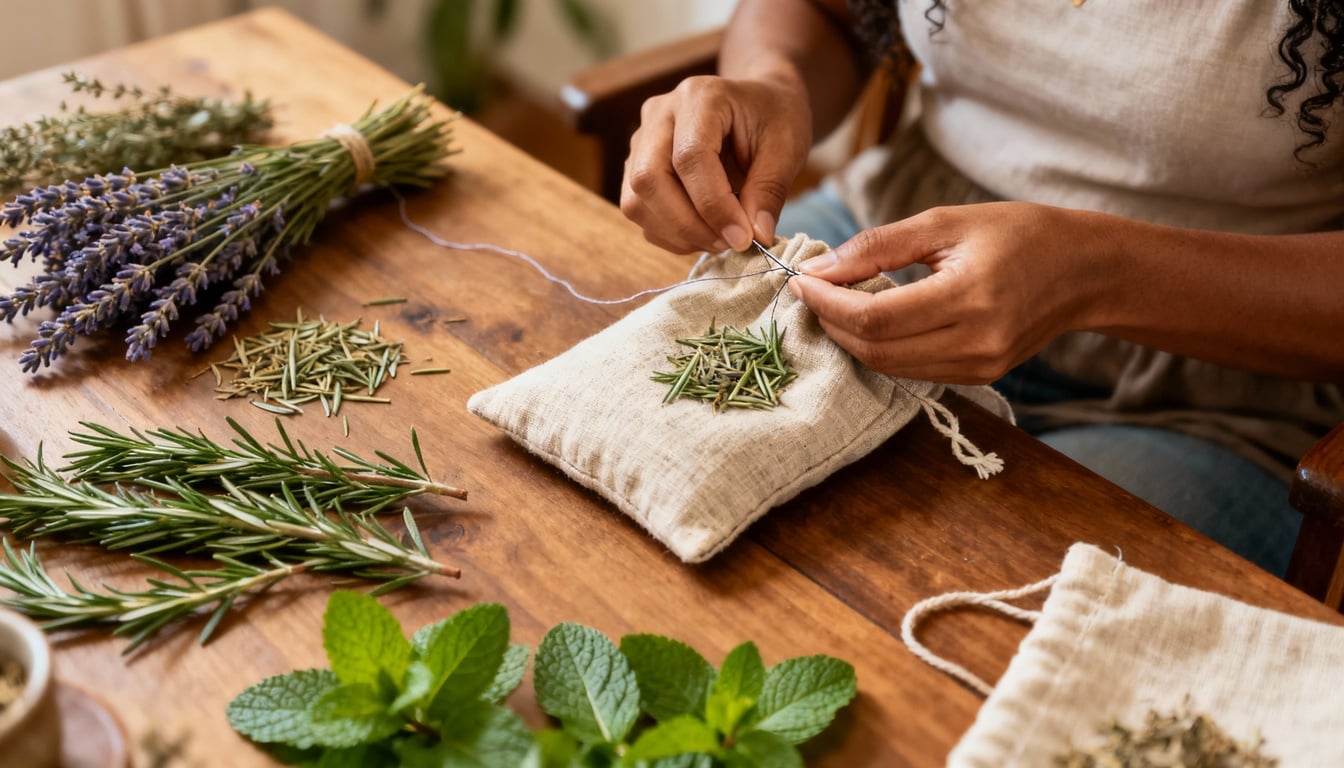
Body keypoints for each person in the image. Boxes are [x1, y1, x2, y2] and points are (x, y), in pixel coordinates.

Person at [617, 0, 1344, 577]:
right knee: (636, 441)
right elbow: (830, 12)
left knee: (914, 589)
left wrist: (1094, 272)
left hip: (1215, 385)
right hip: (888, 236)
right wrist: (774, 78)